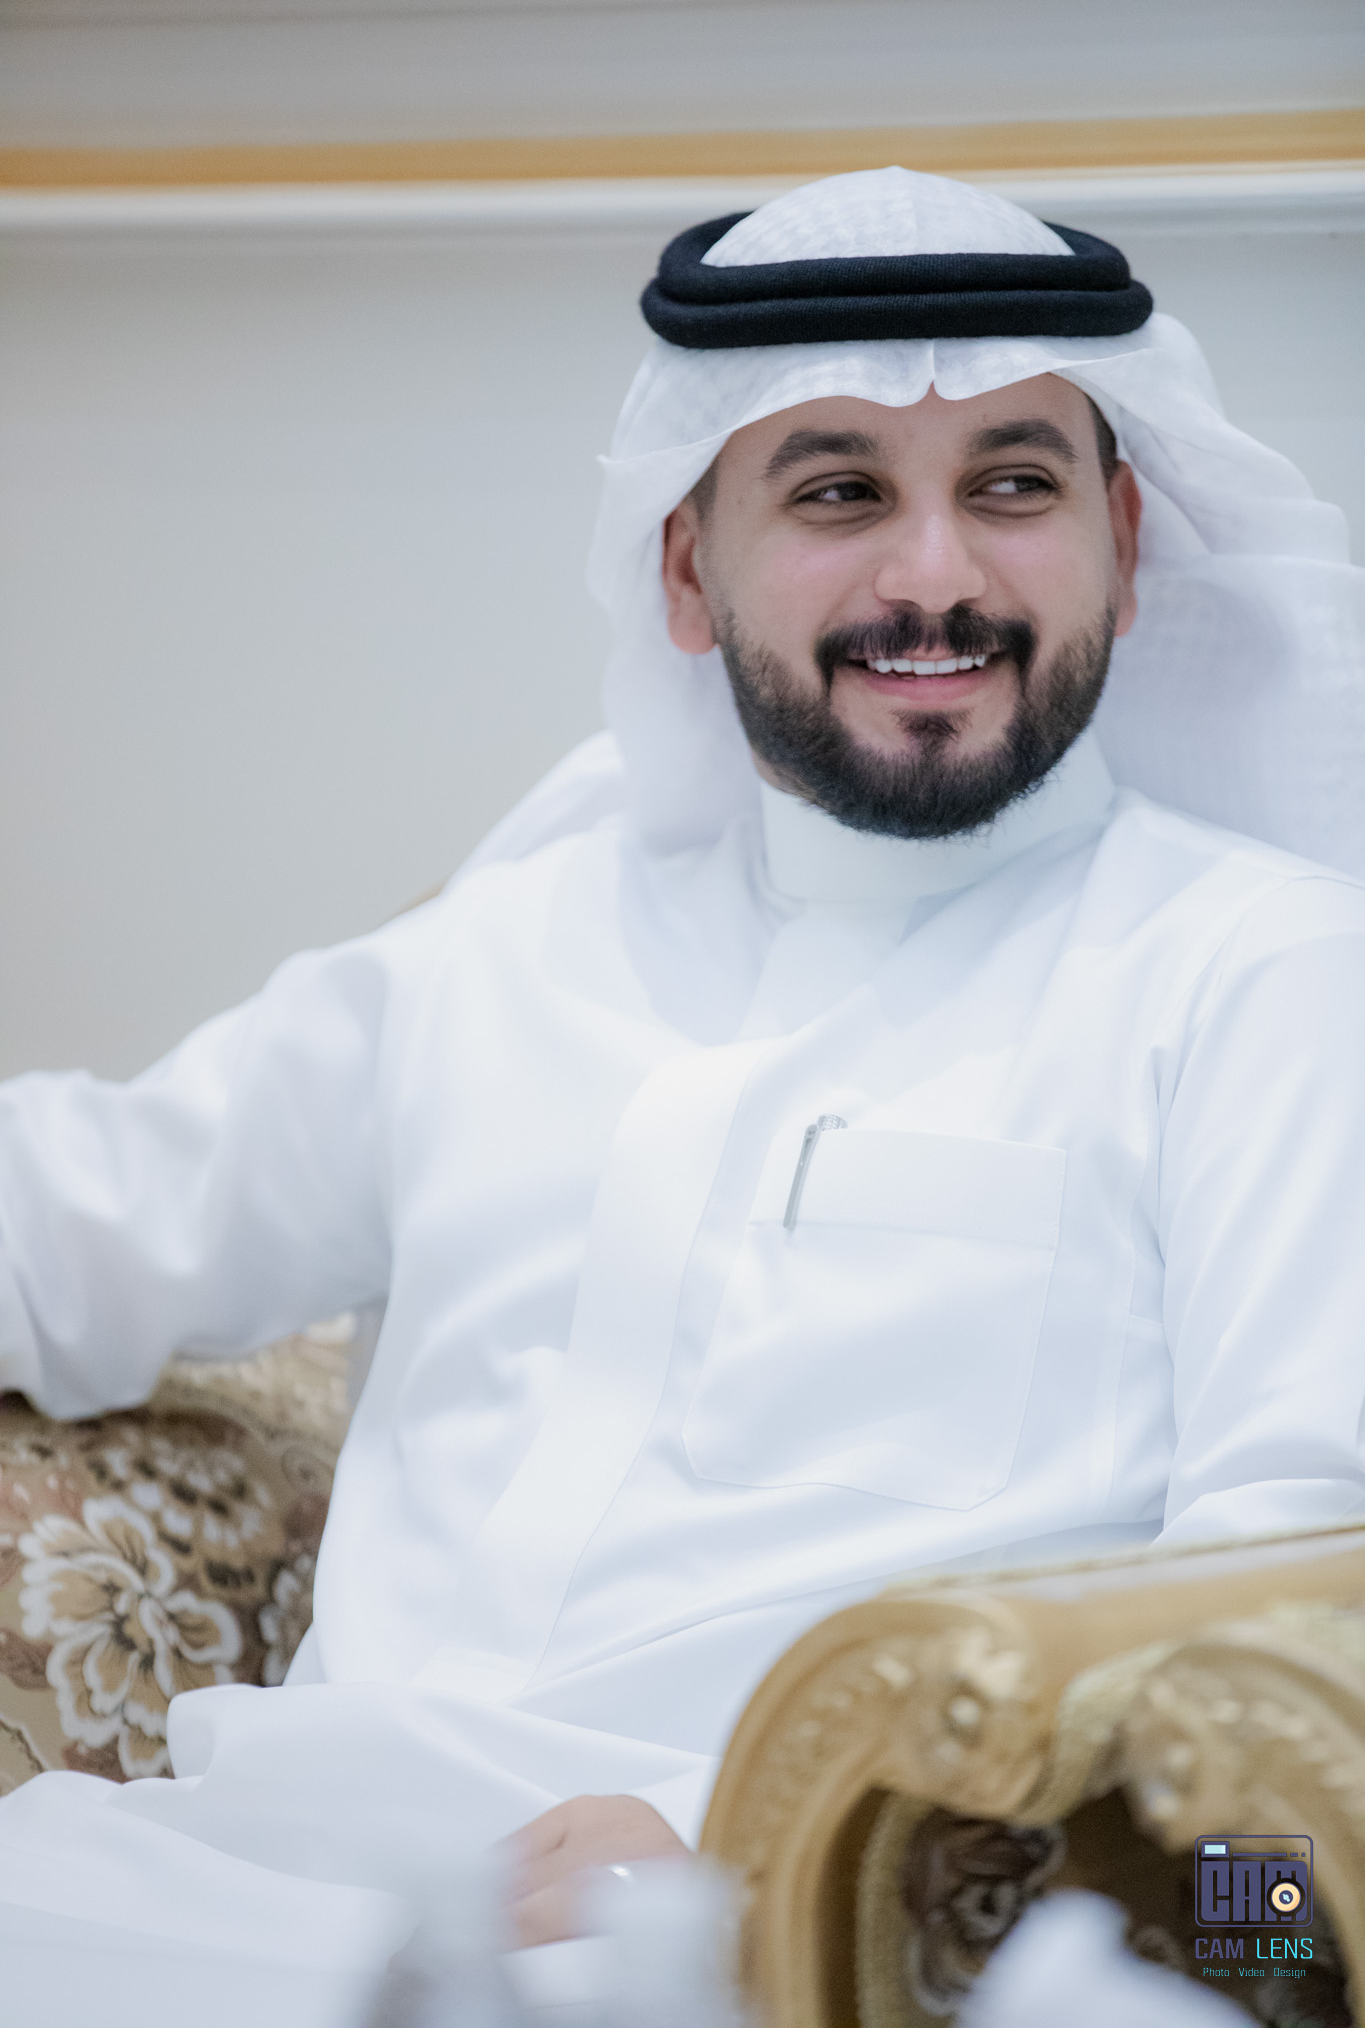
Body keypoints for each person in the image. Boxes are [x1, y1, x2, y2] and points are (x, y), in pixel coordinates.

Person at [0, 166, 1362, 2019]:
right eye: (837, 491)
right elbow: (70, 1226)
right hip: (215, 1897)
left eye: (1012, 486)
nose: (934, 577)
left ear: (1122, 535)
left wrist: (775, 1851)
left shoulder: (1259, 975)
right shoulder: (496, 954)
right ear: (682, 568)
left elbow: (1288, 1610)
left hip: (800, 1948)